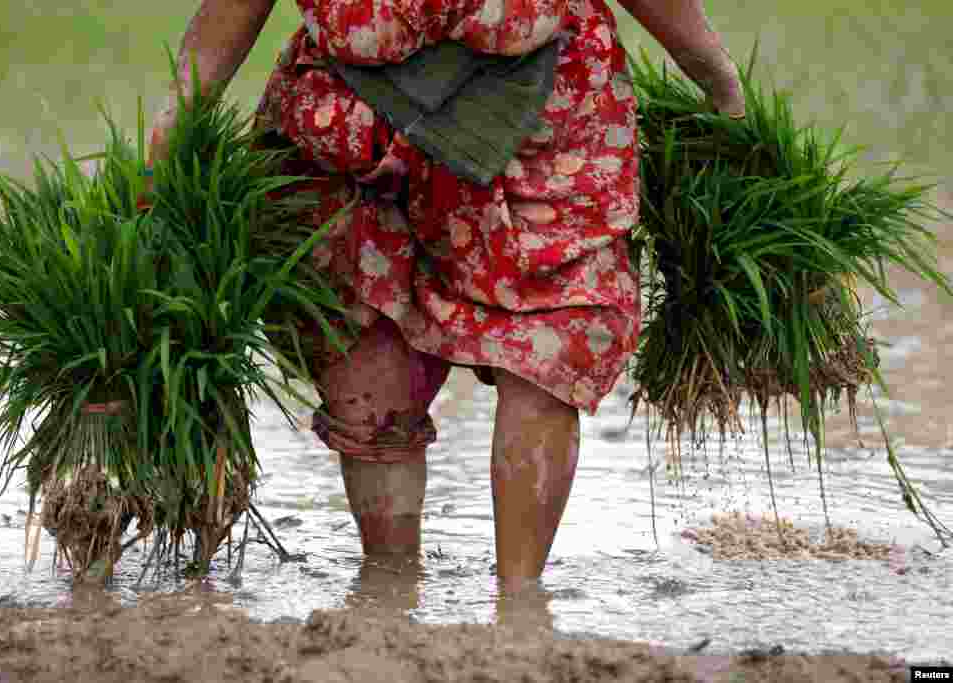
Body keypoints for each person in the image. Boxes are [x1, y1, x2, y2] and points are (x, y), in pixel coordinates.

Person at [146, 0, 745, 591]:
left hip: (531, 111)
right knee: (371, 346)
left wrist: (719, 81)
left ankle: (497, 604)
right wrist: (175, 123)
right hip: (362, 121)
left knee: (545, 343)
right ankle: (405, 591)